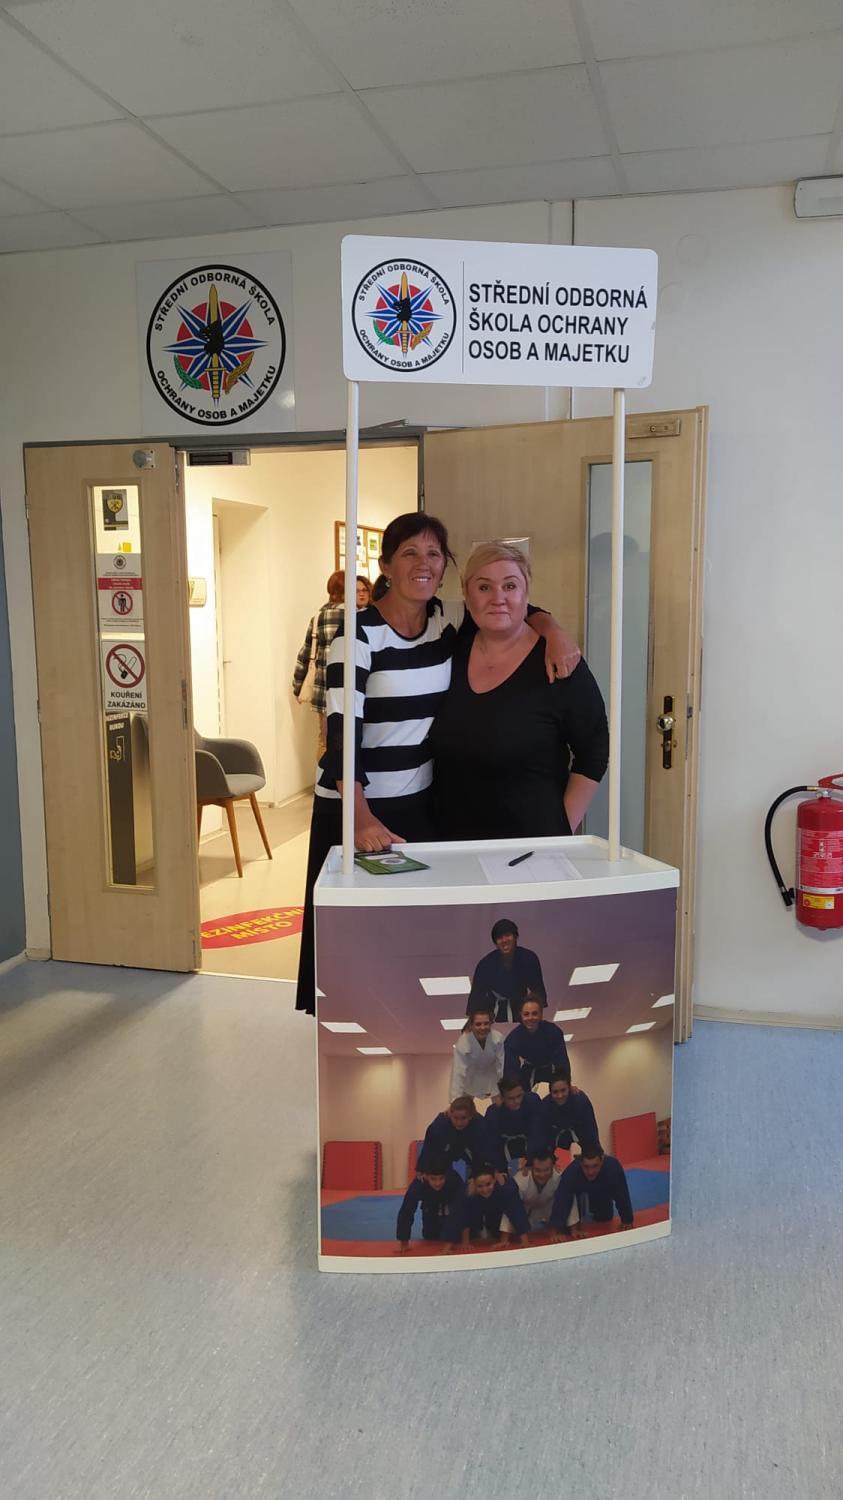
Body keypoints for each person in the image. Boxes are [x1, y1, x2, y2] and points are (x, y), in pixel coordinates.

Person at [295, 513, 580, 1014]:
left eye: (433, 554)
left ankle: (411, 1028)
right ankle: (357, 1038)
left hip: (421, 805)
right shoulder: (357, 636)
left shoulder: (446, 619)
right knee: (359, 942)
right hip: (358, 805)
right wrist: (360, 817)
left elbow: (513, 607)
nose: (422, 564)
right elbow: (342, 735)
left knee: (417, 936)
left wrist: (554, 631)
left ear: (445, 567)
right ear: (385, 565)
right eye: (409, 553)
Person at [431, 540, 609, 840]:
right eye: (484, 587)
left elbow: (594, 752)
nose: (498, 598)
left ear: (526, 593)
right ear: (466, 595)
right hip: (452, 844)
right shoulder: (452, 648)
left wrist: (560, 829)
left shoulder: (559, 662)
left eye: (510, 586)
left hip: (532, 846)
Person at [291, 570, 345, 726]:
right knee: (354, 736)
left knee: (326, 735)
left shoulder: (318, 618)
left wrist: (298, 687)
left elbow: (305, 654)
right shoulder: (359, 617)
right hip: (354, 687)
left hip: (325, 688)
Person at [466, 917, 546, 1022]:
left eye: (508, 935)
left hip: (522, 1008)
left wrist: (537, 1018)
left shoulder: (529, 958)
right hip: (493, 1009)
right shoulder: (485, 964)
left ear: (515, 937)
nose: (504, 940)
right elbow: (476, 996)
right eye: (499, 938)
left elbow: (538, 991)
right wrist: (472, 1022)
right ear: (495, 942)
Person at [549, 1144, 634, 1240]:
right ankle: (581, 1208)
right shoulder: (572, 1172)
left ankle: (595, 1206)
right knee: (568, 1227)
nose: (590, 1172)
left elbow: (622, 1194)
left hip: (601, 1189)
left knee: (604, 1217)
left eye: (595, 1166)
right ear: (580, 1162)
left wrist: (627, 1219)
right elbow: (562, 1199)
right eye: (586, 1167)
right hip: (579, 1190)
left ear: (602, 1161)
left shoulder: (612, 1167)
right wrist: (557, 1229)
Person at [395, 1156, 466, 1254]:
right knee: (431, 1236)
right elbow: (406, 1211)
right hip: (430, 1207)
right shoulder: (418, 1185)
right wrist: (404, 1242)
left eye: (441, 1178)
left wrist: (448, 1246)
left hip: (449, 1204)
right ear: (425, 1176)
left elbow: (459, 1211)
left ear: (446, 1175)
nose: (438, 1183)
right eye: (433, 1179)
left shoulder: (454, 1180)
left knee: (457, 1237)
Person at [504, 994, 570, 1090]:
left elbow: (562, 1060)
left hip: (551, 1067)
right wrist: (511, 1090)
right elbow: (511, 1069)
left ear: (541, 1015)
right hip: (529, 1068)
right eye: (526, 1014)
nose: (530, 1018)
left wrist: (567, 1083)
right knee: (519, 1093)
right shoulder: (513, 1038)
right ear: (521, 1015)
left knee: (563, 1091)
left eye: (534, 1013)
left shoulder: (553, 1032)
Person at [483, 1076, 545, 1174]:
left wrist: (529, 1161)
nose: (516, 1101)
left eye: (519, 1096)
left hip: (532, 1153)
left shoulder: (532, 1101)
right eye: (511, 1098)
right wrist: (504, 1168)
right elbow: (493, 1146)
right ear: (502, 1098)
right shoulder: (493, 1113)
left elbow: (537, 1134)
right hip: (505, 1157)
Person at [416, 1096, 492, 1176]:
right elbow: (428, 1146)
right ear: (450, 1114)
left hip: (471, 1149)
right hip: (447, 1150)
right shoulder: (440, 1124)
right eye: (455, 1118)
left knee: (478, 1171)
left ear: (470, 1116)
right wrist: (421, 1168)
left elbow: (484, 1152)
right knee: (438, 1170)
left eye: (463, 1118)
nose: (459, 1123)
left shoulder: (479, 1125)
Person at [463, 1163, 529, 1248]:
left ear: (494, 1179)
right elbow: (463, 1215)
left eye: (488, 1184)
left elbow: (516, 1211)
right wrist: (465, 1242)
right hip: (475, 1222)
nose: (485, 1190)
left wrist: (524, 1241)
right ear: (474, 1183)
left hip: (497, 1220)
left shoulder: (508, 1187)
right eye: (480, 1186)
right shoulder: (467, 1191)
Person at [449, 1006, 505, 1103]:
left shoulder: (498, 1039)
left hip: (493, 1076)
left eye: (486, 1023)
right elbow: (458, 1073)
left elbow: (502, 1065)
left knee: (501, 1105)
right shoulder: (463, 1043)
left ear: (491, 1024)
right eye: (478, 1024)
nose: (483, 1027)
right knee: (462, 1106)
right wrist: (454, 1101)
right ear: (471, 1025)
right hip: (470, 1078)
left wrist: (506, 1090)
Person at [540, 1068, 601, 1155]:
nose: (560, 1095)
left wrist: (596, 1150)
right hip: (555, 1133)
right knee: (543, 1153)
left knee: (593, 1151)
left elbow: (591, 1128)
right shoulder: (544, 1106)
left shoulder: (580, 1100)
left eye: (563, 1090)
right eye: (555, 1092)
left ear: (569, 1088)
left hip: (579, 1129)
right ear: (550, 1092)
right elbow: (543, 1137)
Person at [508, 1148, 561, 1231]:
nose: (542, 1175)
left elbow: (567, 1202)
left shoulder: (559, 1177)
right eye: (537, 1170)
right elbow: (512, 1207)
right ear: (530, 1168)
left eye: (546, 1170)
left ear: (553, 1167)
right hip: (523, 1220)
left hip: (551, 1218)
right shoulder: (519, 1181)